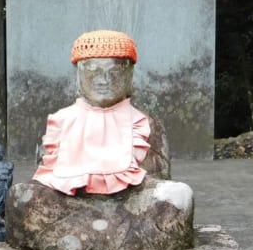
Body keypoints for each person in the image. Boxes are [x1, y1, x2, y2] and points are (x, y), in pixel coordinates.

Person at [33, 30, 166, 195]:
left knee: (178, 195)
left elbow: (158, 182)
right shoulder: (60, 121)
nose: (104, 80)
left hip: (129, 204)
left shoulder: (143, 123)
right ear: (78, 75)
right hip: (70, 203)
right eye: (93, 71)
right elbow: (46, 180)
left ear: (130, 76)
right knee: (22, 194)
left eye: (115, 72)